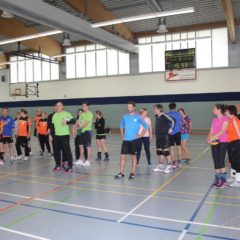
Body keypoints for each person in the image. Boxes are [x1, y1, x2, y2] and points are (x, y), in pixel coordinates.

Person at [115, 101, 148, 180]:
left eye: (130, 107)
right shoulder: (124, 116)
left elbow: (145, 126)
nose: (128, 108)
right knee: (122, 157)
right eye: (128, 107)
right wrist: (122, 135)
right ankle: (121, 173)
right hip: (126, 140)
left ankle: (133, 172)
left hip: (134, 140)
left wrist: (140, 135)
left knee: (134, 157)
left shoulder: (138, 117)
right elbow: (121, 126)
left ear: (134, 107)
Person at [207, 104, 229, 188]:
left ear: (219, 110)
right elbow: (211, 130)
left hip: (222, 141)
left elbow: (223, 131)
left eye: (214, 108)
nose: (213, 110)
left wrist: (213, 137)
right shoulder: (214, 119)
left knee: (221, 161)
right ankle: (217, 180)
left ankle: (224, 182)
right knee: (216, 161)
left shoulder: (225, 119)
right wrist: (209, 137)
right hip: (214, 142)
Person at [52, 102, 75, 172]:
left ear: (62, 106)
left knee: (67, 151)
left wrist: (67, 122)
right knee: (56, 151)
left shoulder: (66, 114)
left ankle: (70, 166)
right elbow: (53, 126)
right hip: (56, 136)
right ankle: (58, 165)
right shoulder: (54, 115)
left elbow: (73, 120)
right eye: (57, 106)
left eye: (59, 106)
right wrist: (51, 135)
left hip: (64, 135)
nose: (57, 107)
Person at [152, 104, 175, 174]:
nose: (154, 110)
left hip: (165, 136)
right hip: (158, 136)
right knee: (159, 151)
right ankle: (161, 165)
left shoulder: (164, 115)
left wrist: (171, 128)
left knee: (166, 151)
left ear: (159, 109)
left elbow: (173, 121)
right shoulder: (156, 116)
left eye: (155, 109)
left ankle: (170, 166)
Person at [74, 102, 93, 167]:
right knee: (80, 146)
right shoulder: (82, 114)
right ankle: (80, 160)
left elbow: (85, 124)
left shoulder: (90, 114)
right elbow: (78, 121)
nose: (83, 107)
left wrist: (78, 128)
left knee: (88, 147)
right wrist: (76, 126)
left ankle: (88, 161)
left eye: (84, 106)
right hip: (82, 132)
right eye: (82, 106)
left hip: (88, 132)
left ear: (88, 106)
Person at [225, 105, 240, 187]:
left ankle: (238, 181)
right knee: (232, 161)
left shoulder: (235, 120)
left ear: (230, 111)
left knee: (237, 162)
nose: (225, 112)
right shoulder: (229, 120)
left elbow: (239, 133)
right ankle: (233, 177)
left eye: (226, 111)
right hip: (230, 143)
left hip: (236, 143)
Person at [168, 102, 182, 167]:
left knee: (171, 147)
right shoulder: (179, 114)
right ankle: (179, 161)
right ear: (175, 107)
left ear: (169, 107)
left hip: (170, 133)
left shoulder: (167, 114)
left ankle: (173, 161)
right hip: (178, 132)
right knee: (179, 146)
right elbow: (180, 123)